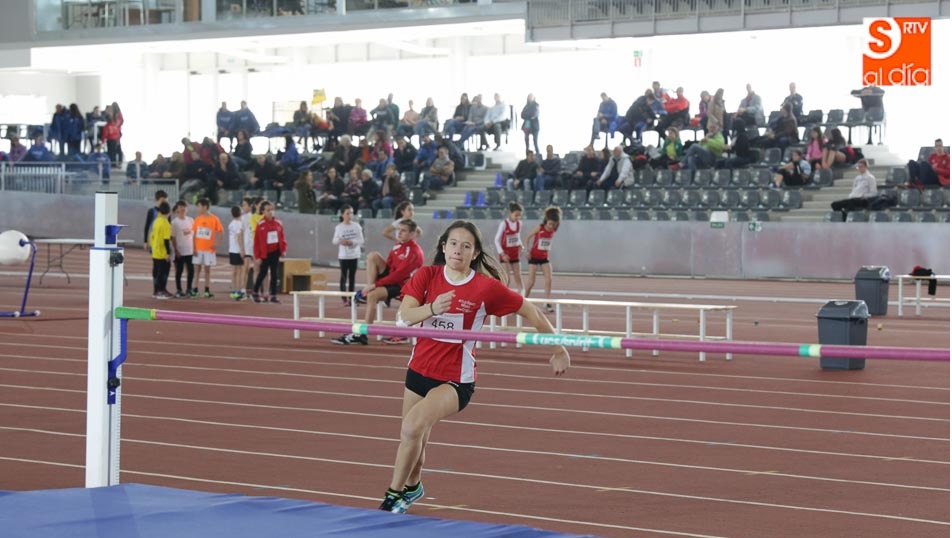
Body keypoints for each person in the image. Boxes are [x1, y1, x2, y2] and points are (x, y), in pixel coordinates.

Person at [376, 219, 569, 514]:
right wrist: (432, 308)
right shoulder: (426, 276)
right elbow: (403, 318)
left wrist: (558, 349)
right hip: (418, 371)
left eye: (466, 246)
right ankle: (413, 486)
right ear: (444, 247)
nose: (458, 250)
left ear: (475, 253)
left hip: (455, 380)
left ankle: (392, 497)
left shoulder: (485, 288)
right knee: (415, 438)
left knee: (412, 426)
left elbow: (531, 311)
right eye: (453, 243)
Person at [332, 219, 424, 345]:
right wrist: (374, 284)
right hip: (392, 279)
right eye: (398, 229)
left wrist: (376, 285)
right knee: (373, 256)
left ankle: (362, 334)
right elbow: (390, 266)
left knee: (372, 295)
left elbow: (398, 275)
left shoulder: (414, 252)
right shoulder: (398, 246)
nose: (399, 232)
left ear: (412, 234)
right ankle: (368, 290)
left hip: (403, 285)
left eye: (403, 231)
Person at [524, 206, 561, 313]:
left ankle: (547, 303)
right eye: (550, 224)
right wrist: (527, 250)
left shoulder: (554, 229)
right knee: (531, 281)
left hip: (544, 258)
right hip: (534, 257)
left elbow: (557, 219)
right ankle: (523, 300)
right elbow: (527, 237)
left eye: (554, 225)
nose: (551, 227)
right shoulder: (540, 228)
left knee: (549, 280)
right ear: (546, 221)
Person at [252, 201, 287, 304]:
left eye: (272, 210)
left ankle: (273, 295)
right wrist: (258, 256)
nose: (271, 212)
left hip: (275, 252)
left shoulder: (278, 223)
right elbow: (257, 242)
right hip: (265, 253)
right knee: (263, 273)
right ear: (263, 211)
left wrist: (283, 250)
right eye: (268, 210)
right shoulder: (261, 225)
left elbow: (282, 238)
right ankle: (255, 292)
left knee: (275, 274)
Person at [332, 204, 364, 307]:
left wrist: (352, 242)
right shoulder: (339, 227)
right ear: (342, 215)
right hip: (343, 256)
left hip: (354, 255)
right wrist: (341, 241)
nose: (350, 215)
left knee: (352, 278)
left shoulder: (356, 226)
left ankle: (351, 298)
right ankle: (344, 298)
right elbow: (334, 240)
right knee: (343, 277)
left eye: (351, 213)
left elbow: (361, 240)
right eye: (347, 213)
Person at [192, 198, 224, 298]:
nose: (198, 209)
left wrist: (216, 243)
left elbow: (221, 231)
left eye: (199, 206)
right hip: (198, 248)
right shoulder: (197, 219)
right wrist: (194, 248)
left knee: (207, 270)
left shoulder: (214, 219)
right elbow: (194, 234)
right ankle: (195, 289)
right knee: (197, 269)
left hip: (209, 249)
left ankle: (206, 290)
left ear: (205, 207)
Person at [494, 202, 525, 294]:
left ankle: (522, 297)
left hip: (515, 253)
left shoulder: (519, 223)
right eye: (516, 215)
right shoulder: (504, 224)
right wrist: (502, 254)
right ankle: (502, 296)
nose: (518, 217)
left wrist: (521, 245)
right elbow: (496, 240)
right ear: (510, 213)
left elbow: (517, 237)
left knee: (518, 276)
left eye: (519, 216)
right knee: (506, 277)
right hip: (505, 254)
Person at [170, 201, 195, 299]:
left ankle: (189, 289)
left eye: (184, 207)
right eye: (181, 207)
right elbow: (173, 237)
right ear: (177, 209)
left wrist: (195, 248)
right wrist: (176, 250)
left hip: (190, 250)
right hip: (180, 251)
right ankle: (179, 289)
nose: (183, 209)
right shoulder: (174, 222)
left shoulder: (191, 220)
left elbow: (193, 235)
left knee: (191, 270)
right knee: (179, 271)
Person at [148, 201, 173, 299]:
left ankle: (156, 291)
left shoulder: (156, 221)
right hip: (162, 252)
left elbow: (152, 235)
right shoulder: (166, 223)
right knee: (163, 272)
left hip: (155, 250)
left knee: (156, 271)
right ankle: (161, 290)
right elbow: (166, 240)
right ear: (169, 211)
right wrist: (168, 253)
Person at [227, 206, 247, 301]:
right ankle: (239, 290)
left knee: (234, 270)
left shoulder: (231, 224)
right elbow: (239, 237)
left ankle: (234, 289)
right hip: (237, 250)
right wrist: (242, 249)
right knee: (240, 270)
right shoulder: (239, 224)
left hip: (232, 249)